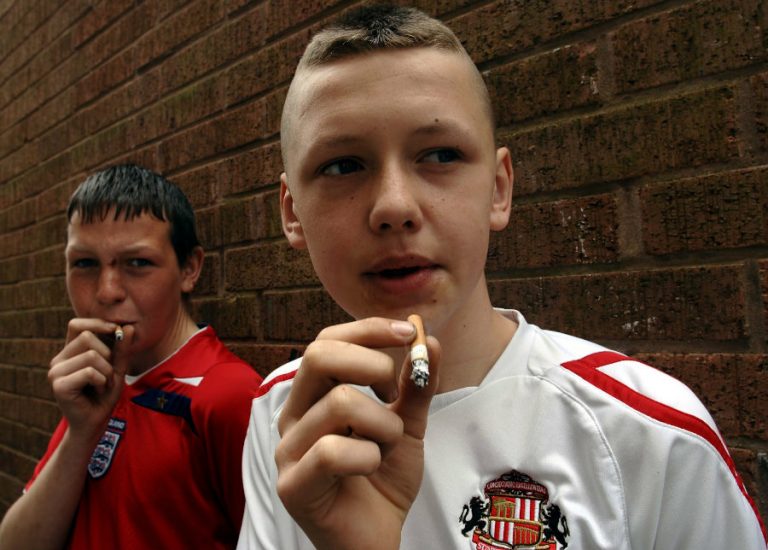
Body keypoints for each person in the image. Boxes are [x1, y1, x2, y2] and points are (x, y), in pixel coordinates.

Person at [237, 5, 768, 550]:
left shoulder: (649, 433)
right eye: (343, 165)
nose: (394, 207)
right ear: (292, 212)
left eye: (440, 154)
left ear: (498, 189)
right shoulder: (282, 412)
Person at [0, 164, 262, 549]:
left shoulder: (227, 394)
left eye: (137, 263)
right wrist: (81, 433)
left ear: (189, 269)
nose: (107, 292)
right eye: (85, 264)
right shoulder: (99, 379)